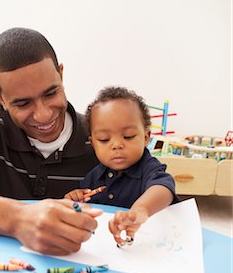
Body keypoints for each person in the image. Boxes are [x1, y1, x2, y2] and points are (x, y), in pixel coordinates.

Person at [0, 28, 102, 256]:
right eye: (23, 104)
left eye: (51, 93)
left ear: (61, 75)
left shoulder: (102, 139)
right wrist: (18, 218)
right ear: (0, 98)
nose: (43, 115)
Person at [65, 86, 180, 246]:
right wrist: (75, 202)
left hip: (150, 246)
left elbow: (164, 189)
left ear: (146, 137)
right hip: (111, 248)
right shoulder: (94, 176)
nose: (117, 145)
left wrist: (140, 211)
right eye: (104, 139)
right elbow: (88, 210)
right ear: (92, 143)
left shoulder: (149, 168)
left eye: (128, 136)